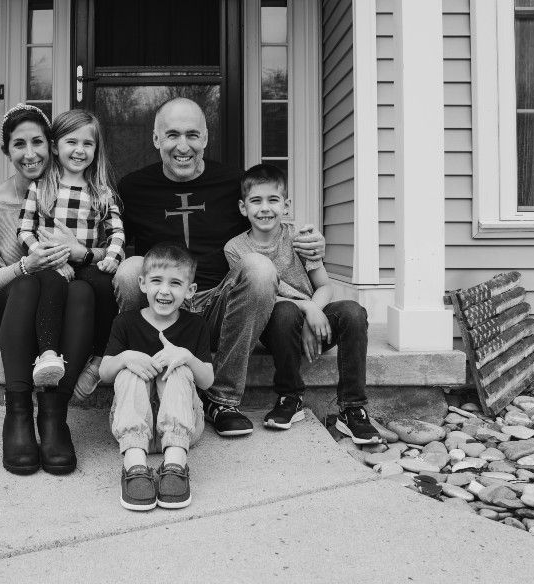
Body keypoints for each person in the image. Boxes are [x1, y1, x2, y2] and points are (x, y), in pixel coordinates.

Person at [114, 97, 325, 437]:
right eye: (172, 135)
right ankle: (145, 385)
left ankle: (222, 399)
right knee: (129, 270)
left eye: (192, 135)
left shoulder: (232, 183)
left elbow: (270, 219)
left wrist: (311, 239)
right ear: (156, 139)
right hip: (162, 301)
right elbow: (112, 242)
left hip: (218, 303)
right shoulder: (133, 188)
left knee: (258, 268)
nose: (183, 146)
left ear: (206, 138)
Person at [0, 104, 95, 476]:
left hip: (61, 311)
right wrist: (25, 266)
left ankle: (54, 418)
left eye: (38, 141)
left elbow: (95, 258)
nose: (30, 153)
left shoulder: (75, 195)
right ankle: (18, 414)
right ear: (7, 151)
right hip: (10, 312)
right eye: (19, 144)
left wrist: (82, 253)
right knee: (26, 284)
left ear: (52, 146)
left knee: (83, 294)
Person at [225, 164, 379, 443]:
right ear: (242, 207)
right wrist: (306, 308)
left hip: (314, 319)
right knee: (284, 311)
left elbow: (324, 286)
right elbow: (262, 299)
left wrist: (314, 311)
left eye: (273, 200)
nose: (265, 208)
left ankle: (353, 408)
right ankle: (289, 397)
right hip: (277, 325)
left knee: (353, 312)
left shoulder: (300, 238)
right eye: (255, 201)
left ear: (286, 205)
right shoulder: (235, 248)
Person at [100, 243, 214, 511]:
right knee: (129, 370)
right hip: (132, 427)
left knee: (178, 368)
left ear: (190, 291)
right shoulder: (125, 323)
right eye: (156, 281)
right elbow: (105, 373)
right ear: (142, 284)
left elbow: (207, 380)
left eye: (175, 283)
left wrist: (184, 355)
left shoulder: (195, 325)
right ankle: (135, 466)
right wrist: (127, 356)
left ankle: (175, 465)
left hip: (181, 429)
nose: (164, 290)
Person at [18, 110, 123, 389]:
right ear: (55, 146)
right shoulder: (40, 186)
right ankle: (48, 355)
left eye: (88, 144)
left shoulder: (101, 191)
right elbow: (25, 230)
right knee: (50, 285)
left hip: (86, 263)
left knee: (104, 285)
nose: (80, 150)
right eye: (71, 142)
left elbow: (117, 232)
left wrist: (112, 257)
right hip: (49, 263)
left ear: (96, 149)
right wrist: (50, 257)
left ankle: (100, 358)